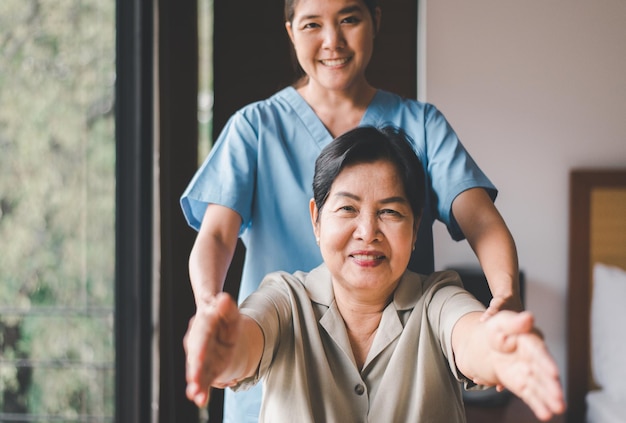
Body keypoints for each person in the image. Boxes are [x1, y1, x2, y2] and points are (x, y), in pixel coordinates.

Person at [181, 0, 523, 420]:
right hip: (270, 369)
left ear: (375, 21)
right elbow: (216, 235)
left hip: (398, 375)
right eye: (312, 24)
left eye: (349, 19)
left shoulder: (421, 126)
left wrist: (505, 299)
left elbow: (482, 221)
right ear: (290, 31)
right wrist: (209, 309)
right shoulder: (256, 128)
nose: (332, 41)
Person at [184, 126, 565, 422]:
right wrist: (225, 349)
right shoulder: (285, 299)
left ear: (416, 230)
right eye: (347, 209)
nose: (368, 232)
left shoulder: (438, 299)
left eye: (390, 212)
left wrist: (496, 350)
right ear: (316, 220)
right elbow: (246, 341)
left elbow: (471, 338)